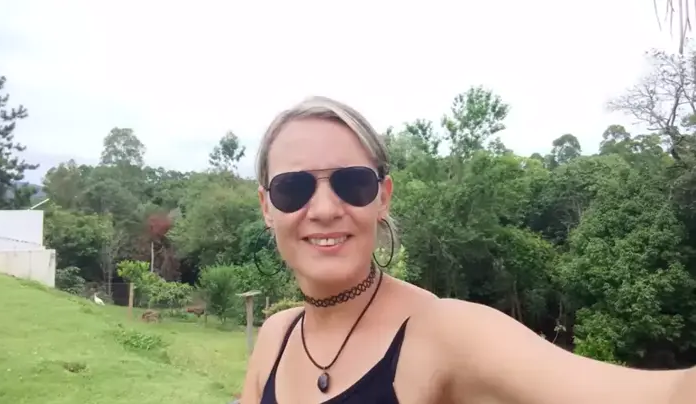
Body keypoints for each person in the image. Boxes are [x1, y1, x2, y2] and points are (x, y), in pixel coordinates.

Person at [238, 95, 696, 404]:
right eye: (293, 188)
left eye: (351, 183)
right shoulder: (277, 337)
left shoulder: (442, 334)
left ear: (383, 197)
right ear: (266, 207)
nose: (324, 209)